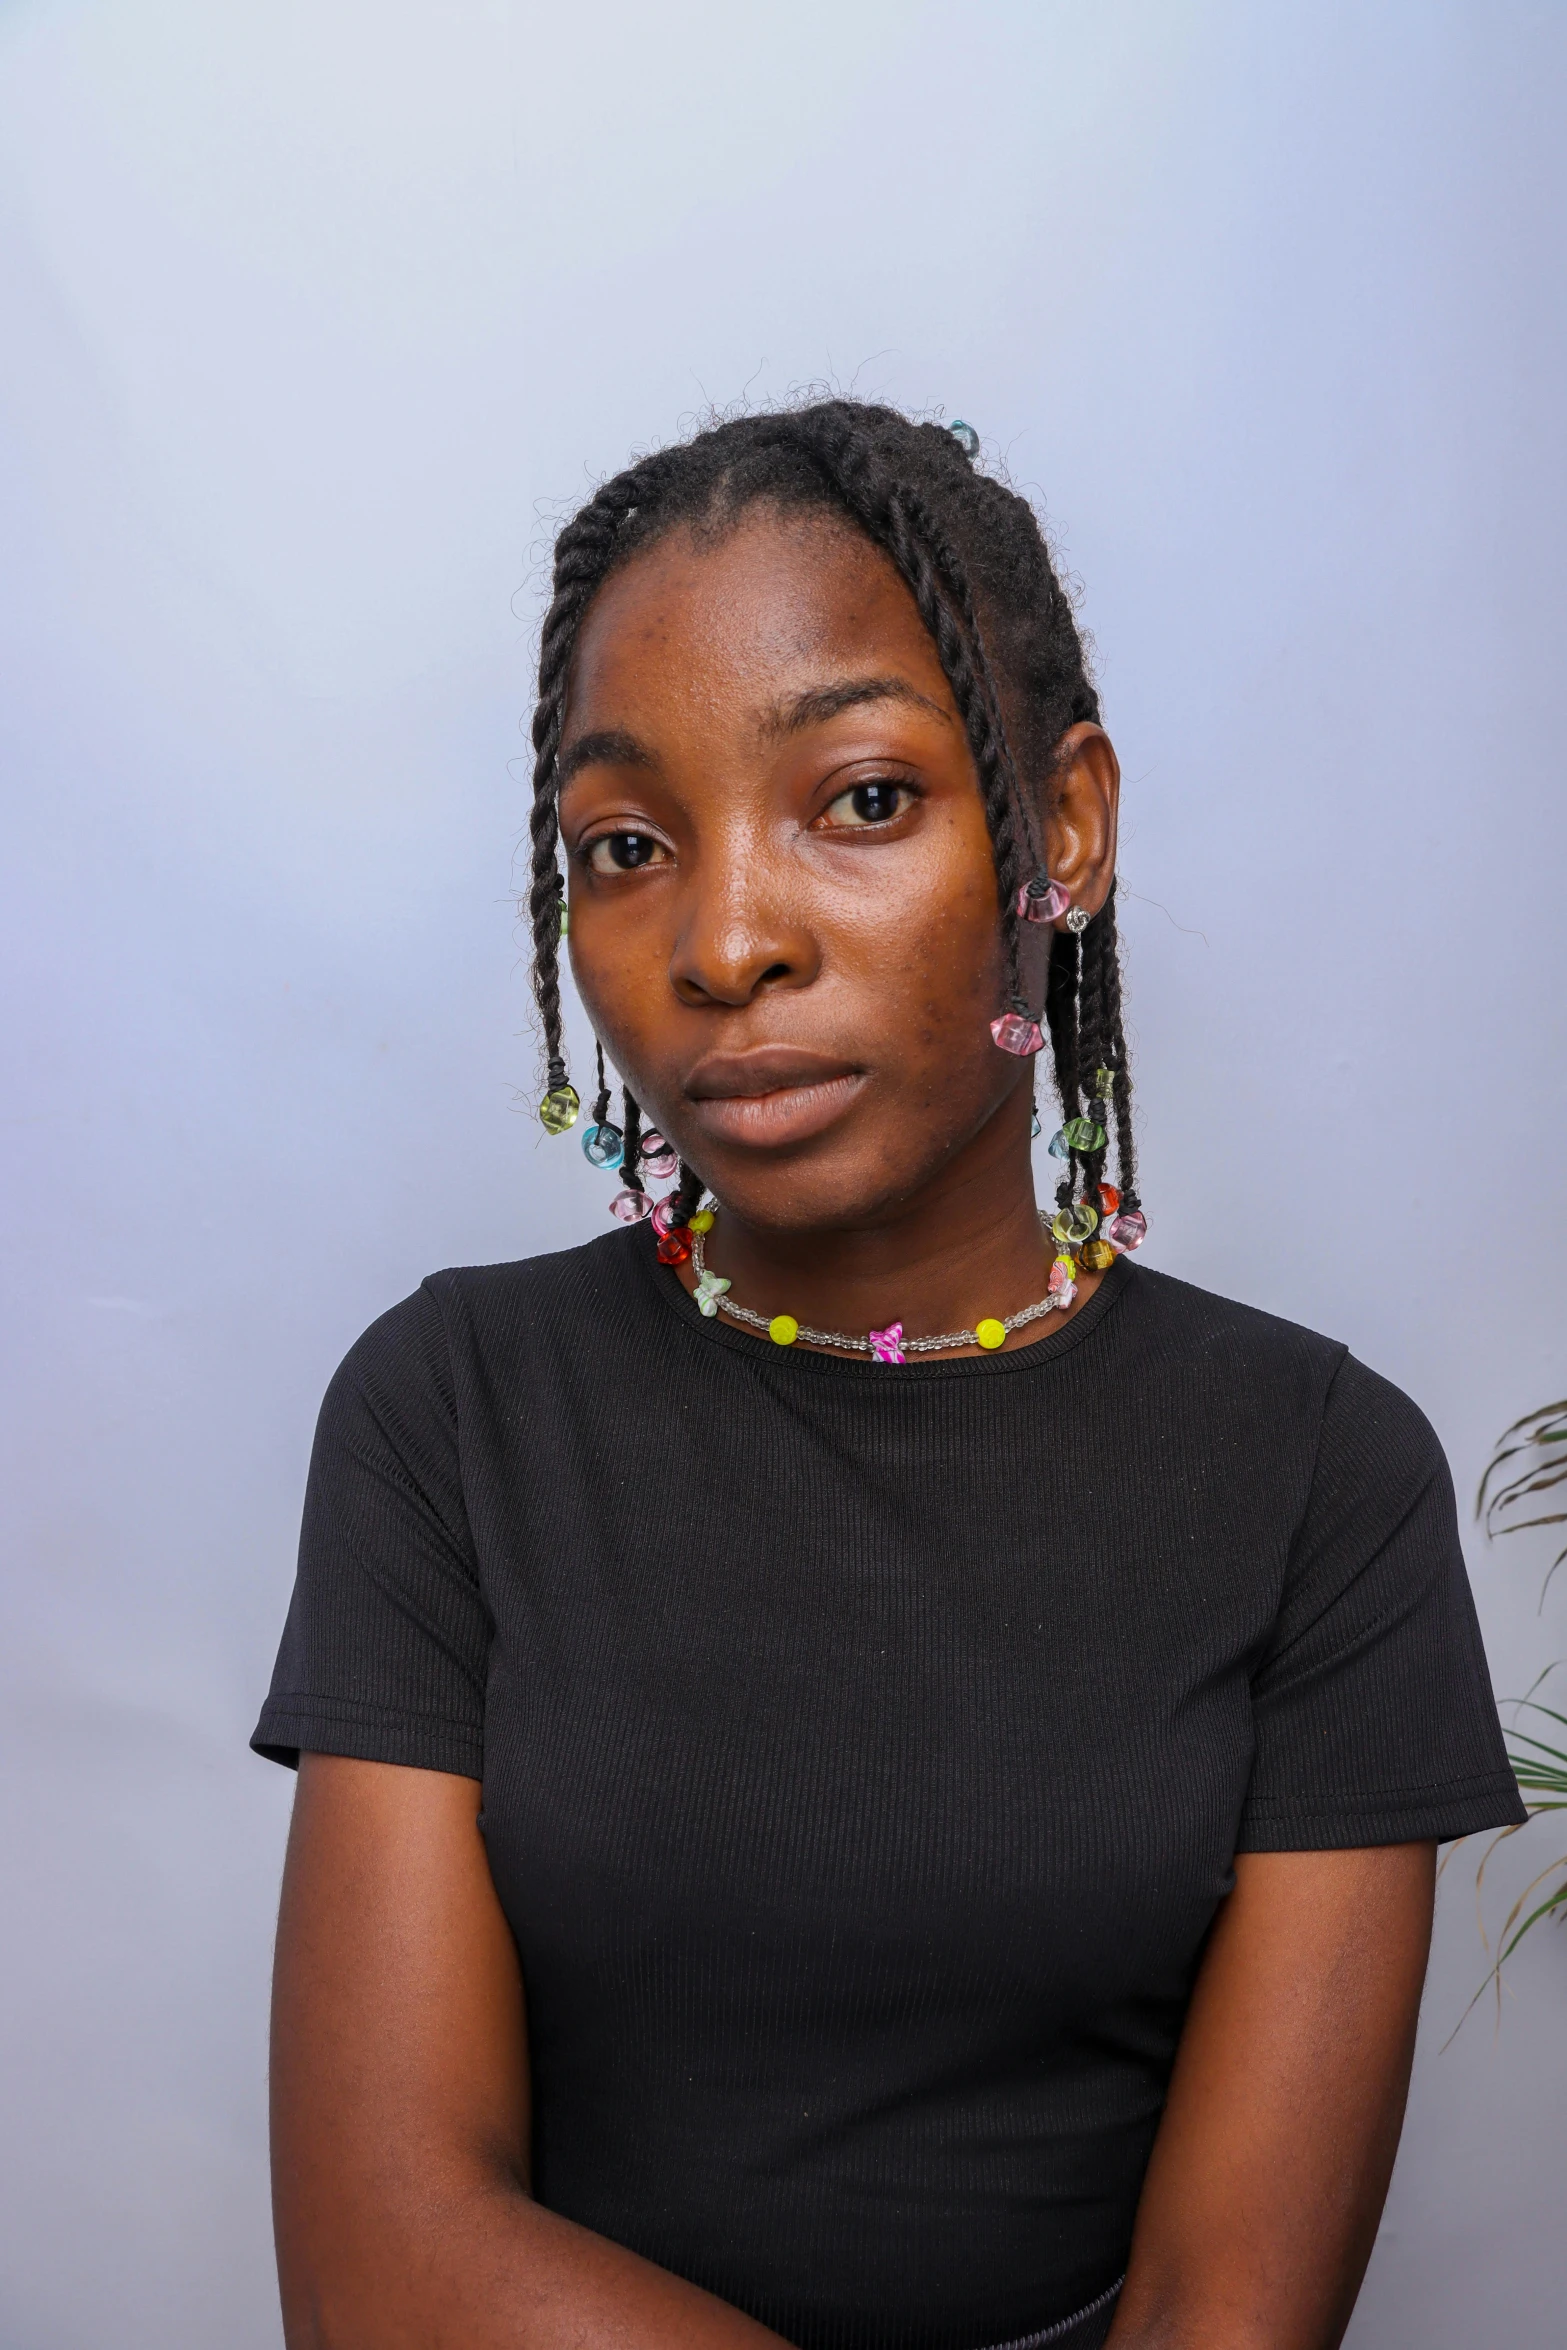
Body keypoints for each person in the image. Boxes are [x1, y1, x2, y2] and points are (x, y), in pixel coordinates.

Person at [253, 400, 1524, 2350]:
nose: (728, 938)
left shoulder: (1315, 1477)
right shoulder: (456, 1411)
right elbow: (386, 2255)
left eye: (857, 799)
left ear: (1066, 825)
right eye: (627, 842)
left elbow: (1229, 2301)